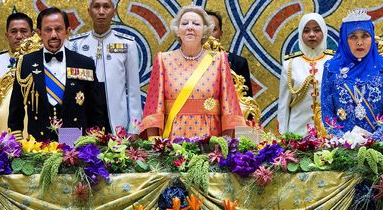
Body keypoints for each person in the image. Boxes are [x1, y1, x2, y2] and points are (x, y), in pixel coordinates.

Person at [140, 5, 245, 140]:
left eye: (196, 24)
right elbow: (153, 107)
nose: (190, 27)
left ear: (204, 31)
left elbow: (229, 106)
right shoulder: (163, 60)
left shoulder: (219, 59)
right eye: (184, 23)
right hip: (173, 139)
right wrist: (155, 143)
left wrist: (226, 144)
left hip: (210, 138)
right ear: (178, 31)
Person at [8, 7, 109, 141]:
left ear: (67, 31)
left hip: (74, 144)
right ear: (38, 33)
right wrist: (18, 144)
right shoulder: (26, 63)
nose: (53, 35)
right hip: (38, 144)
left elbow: (96, 111)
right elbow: (16, 111)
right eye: (48, 30)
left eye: (58, 29)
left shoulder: (84, 63)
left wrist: (93, 143)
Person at [67, 0, 142, 134]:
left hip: (116, 119)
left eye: (106, 7)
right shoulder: (75, 44)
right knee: (75, 153)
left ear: (114, 11)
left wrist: (135, 130)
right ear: (89, 11)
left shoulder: (127, 44)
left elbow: (133, 91)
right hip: (83, 113)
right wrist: (68, 132)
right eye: (96, 7)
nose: (101, 12)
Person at [321, 10, 383, 139]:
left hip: (378, 147)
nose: (360, 42)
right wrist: (346, 141)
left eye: (365, 36)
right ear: (344, 40)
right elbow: (328, 114)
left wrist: (374, 141)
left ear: (372, 37)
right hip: (342, 149)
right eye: (353, 37)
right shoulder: (331, 69)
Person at [277, 13, 333, 136]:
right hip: (297, 134)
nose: (311, 34)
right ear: (300, 34)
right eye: (306, 31)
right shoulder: (290, 64)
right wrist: (283, 136)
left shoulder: (333, 62)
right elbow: (283, 105)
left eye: (317, 30)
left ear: (324, 32)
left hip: (329, 134)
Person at [0, 12, 33, 117]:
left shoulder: (46, 61)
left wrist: (67, 134)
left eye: (23, 31)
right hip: (1, 131)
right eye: (13, 31)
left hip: (36, 129)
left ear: (32, 34)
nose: (18, 36)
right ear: (6, 35)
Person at [207, 10, 253, 97]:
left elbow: (246, 100)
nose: (209, 34)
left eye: (213, 30)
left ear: (221, 33)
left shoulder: (238, 63)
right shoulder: (188, 61)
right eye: (205, 29)